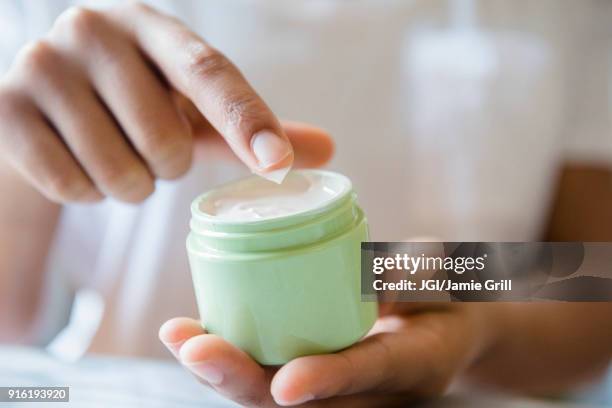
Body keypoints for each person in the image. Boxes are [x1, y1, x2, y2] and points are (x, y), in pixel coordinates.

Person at [0, 1, 610, 407]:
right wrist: (24, 158)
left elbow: (593, 276)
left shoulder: (581, 14)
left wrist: (478, 313)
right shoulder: (62, 19)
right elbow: (9, 318)